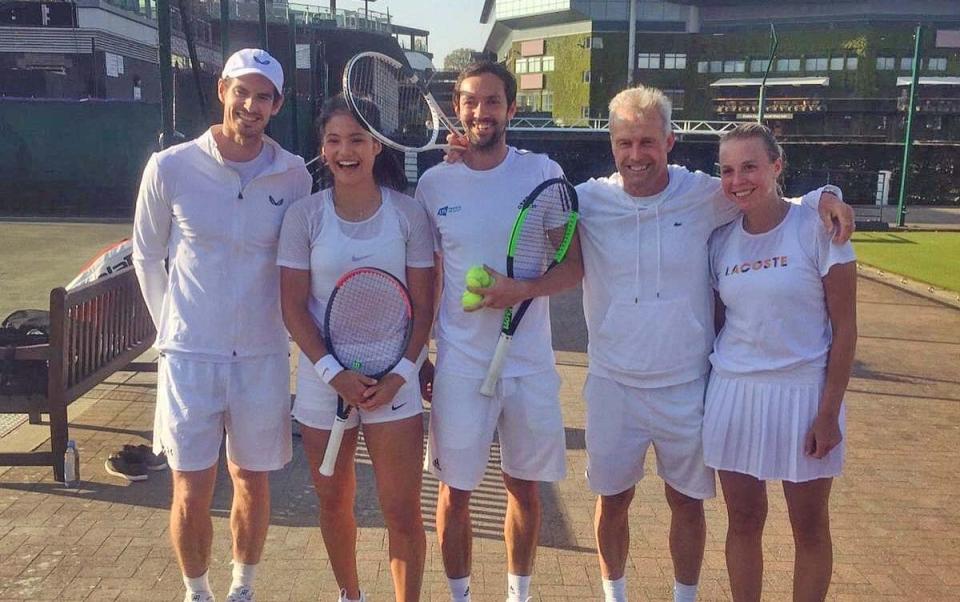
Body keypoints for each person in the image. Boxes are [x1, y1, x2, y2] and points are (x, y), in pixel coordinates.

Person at [573, 86, 855, 602]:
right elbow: (525, 202)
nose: (637, 154)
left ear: (670, 141)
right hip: (613, 383)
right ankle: (615, 596)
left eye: (648, 141)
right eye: (625, 142)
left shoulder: (705, 194)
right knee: (612, 500)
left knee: (688, 502)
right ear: (612, 144)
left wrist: (826, 194)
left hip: (688, 386)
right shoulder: (587, 200)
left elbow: (776, 198)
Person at [132, 48, 312, 602]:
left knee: (252, 481)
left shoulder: (295, 174)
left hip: (261, 357)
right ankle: (196, 591)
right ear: (222, 90)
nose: (250, 105)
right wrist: (169, 331)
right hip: (190, 358)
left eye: (263, 96)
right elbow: (146, 254)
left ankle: (243, 588)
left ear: (276, 104)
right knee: (190, 486)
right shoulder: (171, 166)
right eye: (242, 91)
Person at [415, 61, 584, 602]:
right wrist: (420, 355)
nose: (479, 111)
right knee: (454, 493)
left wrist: (520, 290)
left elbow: (572, 266)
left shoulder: (542, 173)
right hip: (461, 367)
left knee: (524, 488)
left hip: (529, 365)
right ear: (457, 107)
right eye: (470, 100)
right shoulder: (434, 181)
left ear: (512, 109)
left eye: (492, 101)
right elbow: (430, 277)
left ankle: (518, 594)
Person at [277, 94, 435, 602]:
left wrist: (400, 376)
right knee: (332, 502)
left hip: (397, 386)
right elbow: (293, 307)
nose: (346, 151)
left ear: (376, 145)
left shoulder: (409, 214)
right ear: (322, 149)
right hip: (327, 387)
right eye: (334, 140)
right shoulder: (304, 217)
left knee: (403, 512)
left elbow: (424, 307)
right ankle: (351, 595)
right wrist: (332, 374)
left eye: (357, 139)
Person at [704, 123, 856, 601]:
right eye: (727, 170)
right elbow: (719, 323)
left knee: (808, 528)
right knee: (743, 522)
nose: (738, 179)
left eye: (750, 166)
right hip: (734, 394)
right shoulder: (720, 240)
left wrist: (828, 413)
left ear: (776, 166)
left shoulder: (817, 227)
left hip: (803, 397)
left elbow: (846, 330)